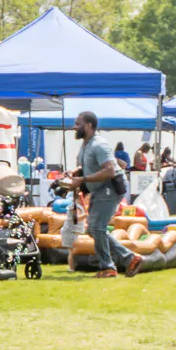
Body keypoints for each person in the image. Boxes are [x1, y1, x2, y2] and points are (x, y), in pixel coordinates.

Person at [66, 110, 142, 278]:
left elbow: (109, 171)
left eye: (78, 124)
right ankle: (129, 258)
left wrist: (83, 179)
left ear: (89, 125)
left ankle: (108, 267)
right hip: (99, 189)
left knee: (96, 228)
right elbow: (88, 167)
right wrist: (75, 173)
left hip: (109, 189)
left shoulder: (99, 145)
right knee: (94, 230)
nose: (74, 127)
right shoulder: (86, 145)